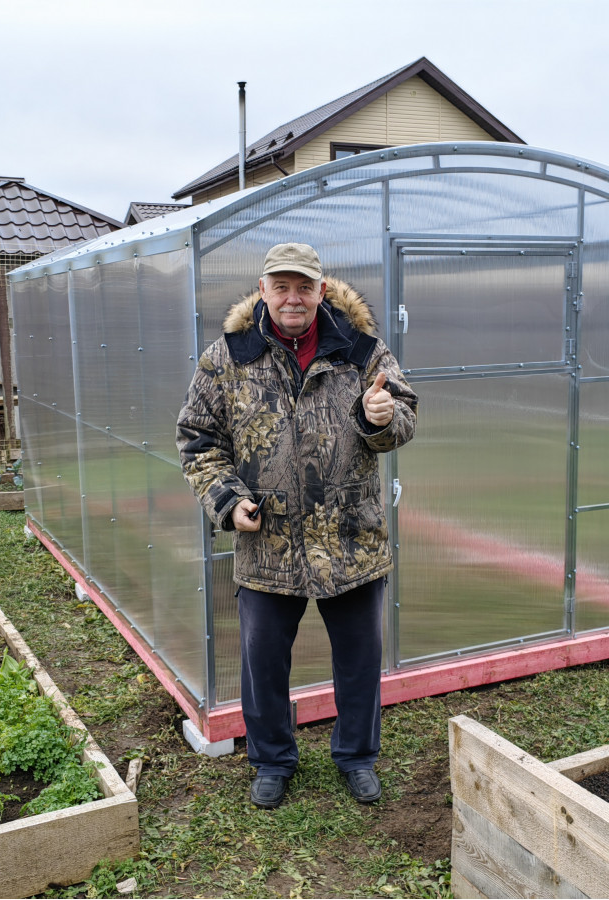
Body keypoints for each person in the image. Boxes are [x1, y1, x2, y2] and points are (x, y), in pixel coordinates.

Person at [177, 242, 417, 809]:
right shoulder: (227, 358)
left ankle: (357, 756)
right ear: (262, 290)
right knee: (263, 665)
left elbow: (403, 415)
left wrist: (380, 418)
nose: (293, 298)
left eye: (304, 287)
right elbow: (198, 439)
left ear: (321, 291)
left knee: (359, 663)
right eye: (281, 286)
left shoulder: (362, 351)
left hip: (351, 538)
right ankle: (272, 760)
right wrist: (227, 500)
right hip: (268, 541)